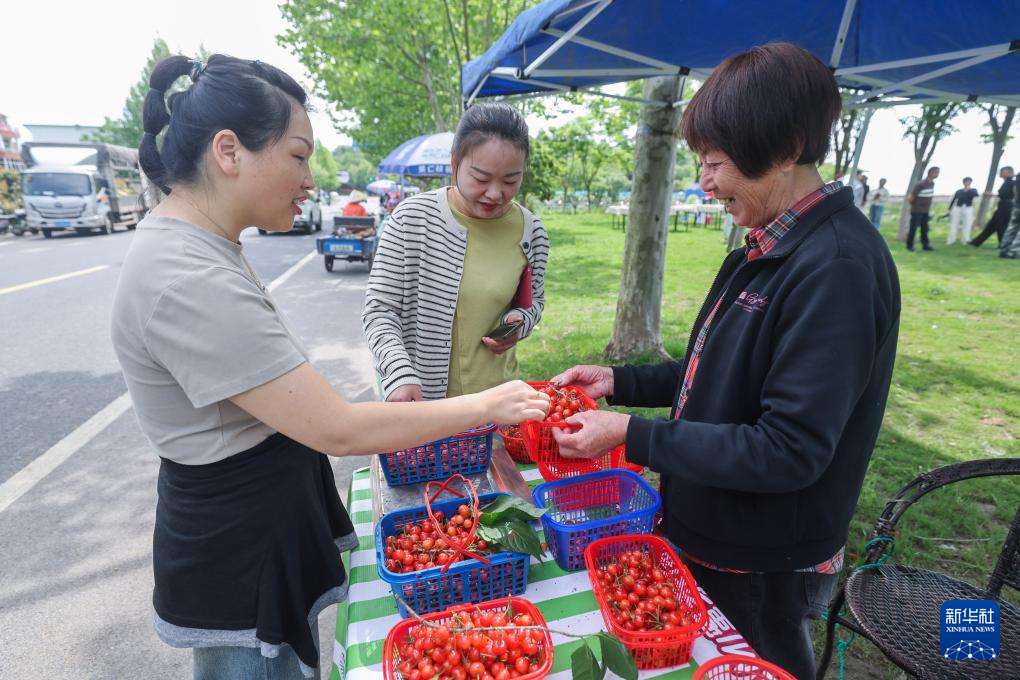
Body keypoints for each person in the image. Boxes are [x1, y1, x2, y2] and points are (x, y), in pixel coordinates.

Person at [111, 55, 549, 680]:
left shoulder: (202, 247)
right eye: (298, 156)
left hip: (254, 532)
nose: (310, 180)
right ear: (229, 152)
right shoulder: (186, 276)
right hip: (239, 550)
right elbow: (337, 428)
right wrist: (488, 404)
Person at [547, 43, 900, 680]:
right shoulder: (766, 244)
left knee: (762, 661)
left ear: (786, 149)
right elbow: (721, 370)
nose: (705, 182)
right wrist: (623, 381)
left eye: (716, 164)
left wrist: (633, 435)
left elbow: (788, 449)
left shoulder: (837, 270)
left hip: (762, 551)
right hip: (713, 526)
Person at [363, 103, 549, 402]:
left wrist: (519, 322)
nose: (495, 193)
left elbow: (534, 301)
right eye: (481, 178)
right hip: (423, 403)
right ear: (455, 164)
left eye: (511, 180)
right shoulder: (411, 219)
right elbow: (379, 310)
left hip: (497, 402)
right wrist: (398, 371)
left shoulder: (531, 231)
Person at [970, 165, 1015, 248]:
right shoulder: (1005, 183)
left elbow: (1011, 195)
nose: (1000, 173)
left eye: (1003, 171)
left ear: (1009, 173)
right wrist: (993, 195)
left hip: (1007, 207)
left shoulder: (1012, 182)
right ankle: (975, 242)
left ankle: (1004, 245)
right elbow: (1003, 195)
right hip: (1002, 206)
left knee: (1001, 226)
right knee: (992, 225)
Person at [906, 166, 939, 251]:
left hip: (925, 211)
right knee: (913, 228)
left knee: (925, 229)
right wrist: (914, 206)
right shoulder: (921, 184)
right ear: (930, 173)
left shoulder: (932, 184)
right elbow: (910, 197)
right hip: (917, 210)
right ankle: (909, 246)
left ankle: (925, 245)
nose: (937, 174)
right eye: (936, 172)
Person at [947, 176, 979, 245]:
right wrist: (949, 209)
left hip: (968, 208)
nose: (967, 183)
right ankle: (951, 239)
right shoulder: (959, 191)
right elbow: (954, 200)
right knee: (954, 224)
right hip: (958, 208)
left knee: (967, 224)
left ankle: (965, 239)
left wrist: (969, 189)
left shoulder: (973, 190)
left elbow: (976, 195)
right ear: (963, 182)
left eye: (969, 181)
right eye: (966, 181)